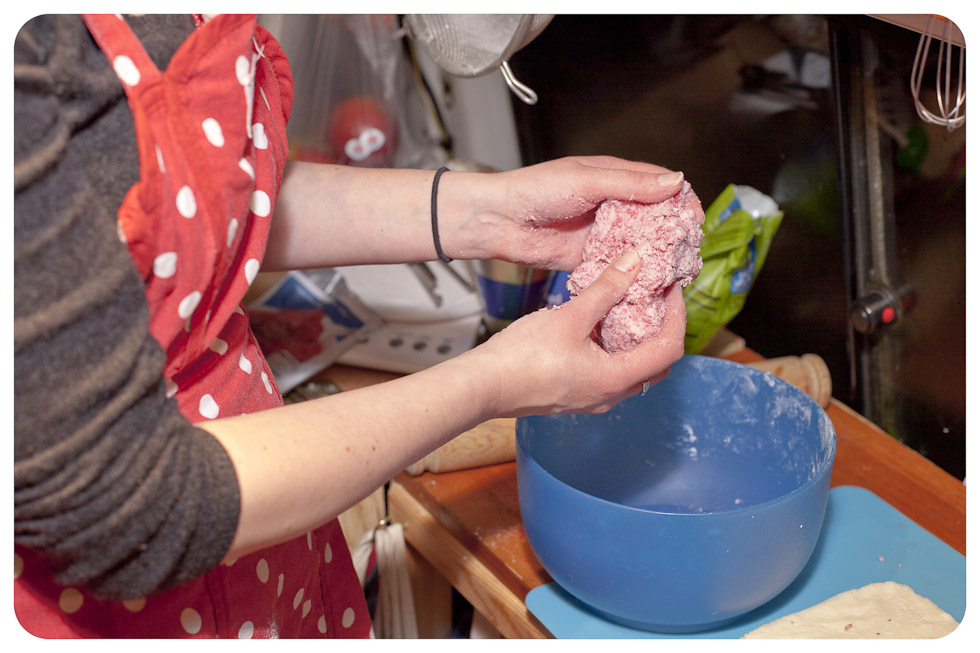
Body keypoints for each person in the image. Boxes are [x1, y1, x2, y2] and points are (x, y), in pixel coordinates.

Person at [13, 14, 686, 638]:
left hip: (269, 541)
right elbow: (125, 503)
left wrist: (490, 212)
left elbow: (201, 204)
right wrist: (492, 383)